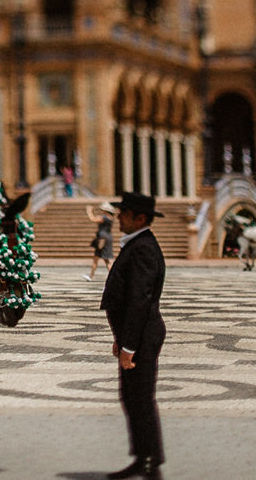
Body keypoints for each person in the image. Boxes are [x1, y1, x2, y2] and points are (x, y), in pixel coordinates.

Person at [100, 191, 166, 480]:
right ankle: (143, 456)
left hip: (143, 335)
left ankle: (151, 461)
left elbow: (140, 299)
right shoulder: (137, 244)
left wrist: (129, 345)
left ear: (140, 218)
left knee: (140, 397)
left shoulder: (143, 248)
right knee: (131, 396)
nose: (118, 219)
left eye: (124, 214)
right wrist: (121, 337)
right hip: (135, 333)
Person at [85, 201, 115, 280]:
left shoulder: (104, 218)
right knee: (105, 259)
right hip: (107, 237)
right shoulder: (110, 218)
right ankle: (91, 275)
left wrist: (89, 211)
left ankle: (91, 276)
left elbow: (92, 219)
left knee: (98, 258)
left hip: (102, 239)